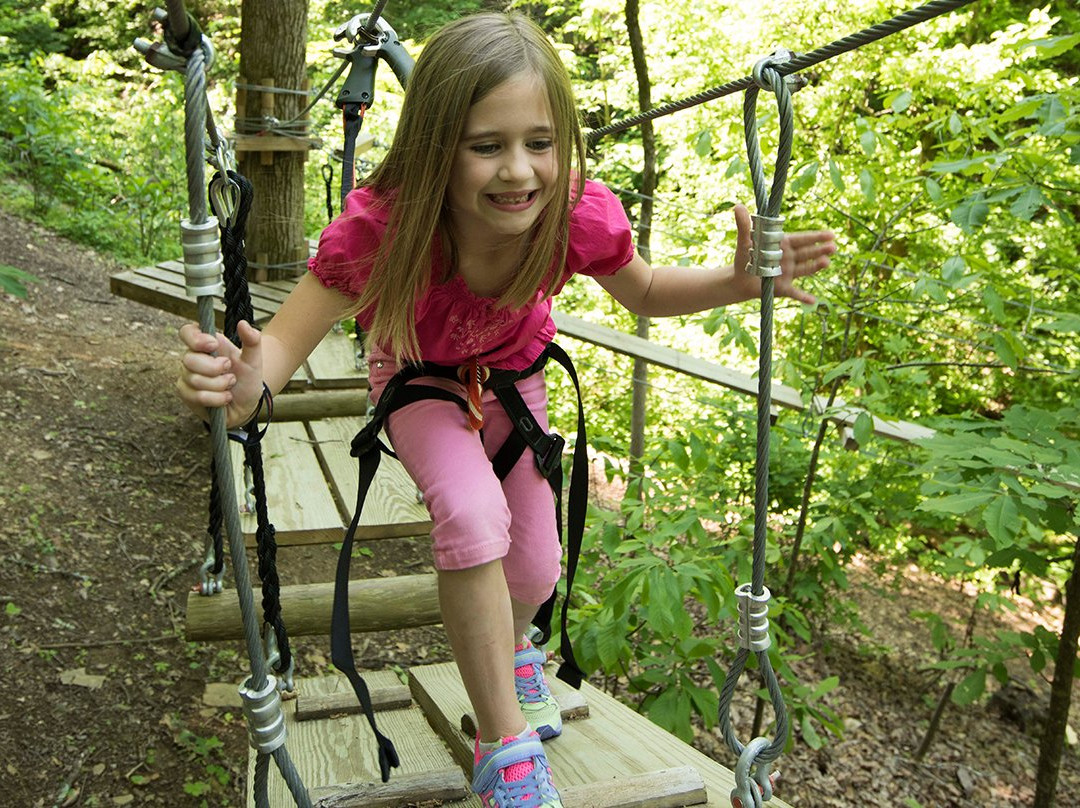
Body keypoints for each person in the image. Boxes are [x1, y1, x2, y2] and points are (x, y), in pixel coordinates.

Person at [177, 12, 835, 808]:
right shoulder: (383, 232)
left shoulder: (576, 217)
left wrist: (736, 281)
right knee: (471, 514)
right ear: (433, 151)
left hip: (516, 377)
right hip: (419, 378)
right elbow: (283, 345)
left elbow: (651, 292)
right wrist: (248, 386)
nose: (518, 170)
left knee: (537, 565)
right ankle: (504, 746)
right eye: (486, 146)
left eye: (541, 142)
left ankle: (512, 649)